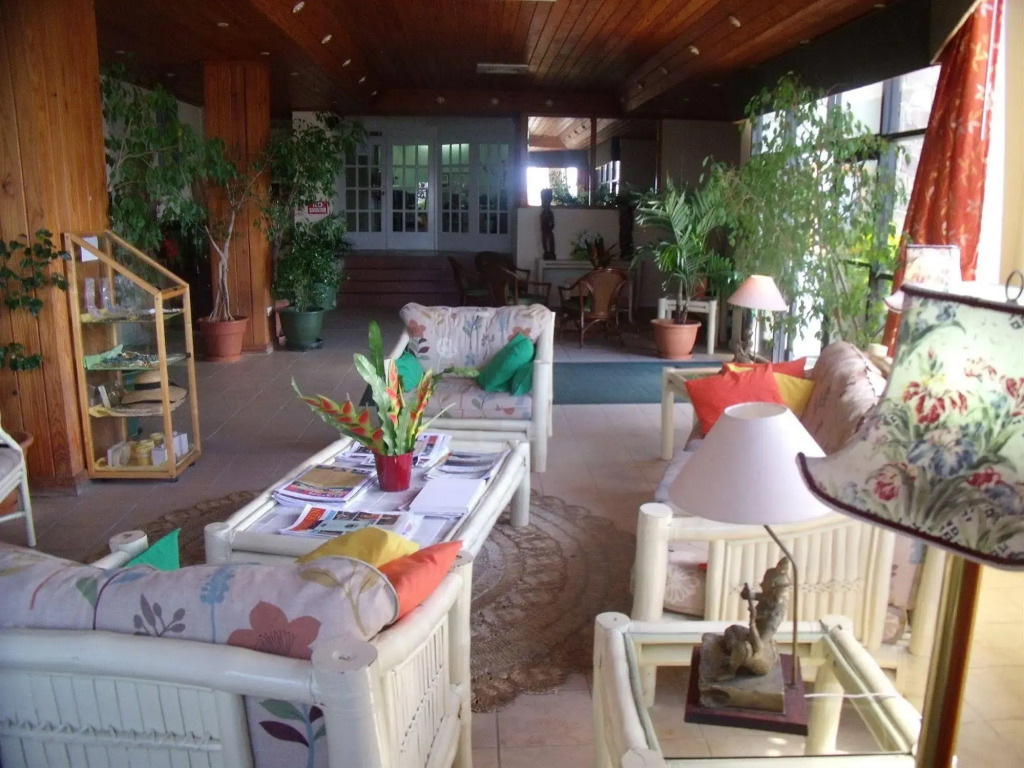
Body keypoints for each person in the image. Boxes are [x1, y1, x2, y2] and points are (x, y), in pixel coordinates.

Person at [540, 188, 556, 260]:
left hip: (549, 230)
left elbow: (552, 223)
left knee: (551, 240)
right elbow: (542, 223)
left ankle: (551, 252)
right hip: (545, 230)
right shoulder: (543, 213)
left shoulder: (550, 213)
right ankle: (546, 252)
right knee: (545, 240)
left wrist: (550, 227)